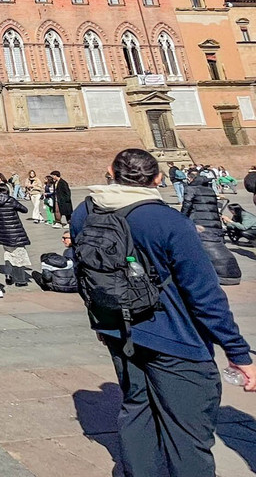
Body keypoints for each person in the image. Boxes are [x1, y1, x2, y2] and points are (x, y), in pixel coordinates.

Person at [71, 148, 256, 477]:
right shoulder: (170, 222)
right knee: (188, 433)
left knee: (136, 410)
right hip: (176, 339)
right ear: (158, 178)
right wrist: (238, 352)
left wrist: (103, 325)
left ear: (110, 173)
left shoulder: (84, 214)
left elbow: (86, 275)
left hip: (119, 331)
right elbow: (204, 295)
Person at [182, 173, 241, 285]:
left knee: (196, 249)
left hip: (200, 224)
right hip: (215, 225)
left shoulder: (191, 189)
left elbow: (187, 205)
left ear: (192, 179)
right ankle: (231, 272)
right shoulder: (210, 190)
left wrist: (181, 218)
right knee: (217, 246)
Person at [0, 183, 31, 287]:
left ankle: (8, 274)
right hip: (15, 232)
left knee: (8, 253)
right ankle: (20, 280)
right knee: (19, 255)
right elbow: (25, 210)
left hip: (2, 233)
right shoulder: (10, 200)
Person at [34, 229, 78, 293]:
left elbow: (47, 277)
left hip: (63, 285)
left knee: (35, 274)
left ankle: (46, 288)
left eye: (65, 238)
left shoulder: (68, 252)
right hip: (76, 285)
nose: (62, 240)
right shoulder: (81, 250)